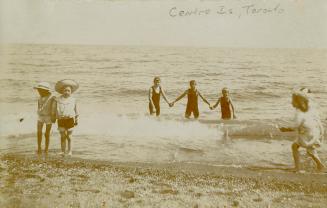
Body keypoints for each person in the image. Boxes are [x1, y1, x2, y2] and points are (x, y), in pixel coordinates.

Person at [280, 88, 325, 172]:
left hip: (307, 134)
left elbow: (296, 125)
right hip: (314, 132)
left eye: (293, 100)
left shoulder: (299, 113)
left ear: (298, 103)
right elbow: (316, 120)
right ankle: (320, 166)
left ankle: (297, 167)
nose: (291, 102)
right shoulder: (310, 109)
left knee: (294, 146)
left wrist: (286, 129)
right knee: (310, 150)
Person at [53, 79, 79, 156]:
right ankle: (63, 151)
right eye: (65, 90)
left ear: (71, 92)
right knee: (62, 136)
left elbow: (76, 110)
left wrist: (76, 119)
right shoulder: (58, 99)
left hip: (70, 119)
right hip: (61, 119)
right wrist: (54, 117)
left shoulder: (73, 99)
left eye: (68, 91)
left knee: (69, 136)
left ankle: (70, 151)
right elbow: (54, 108)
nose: (67, 92)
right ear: (62, 91)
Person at [34, 82, 56, 155]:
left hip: (49, 117)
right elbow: (38, 106)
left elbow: (54, 107)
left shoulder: (52, 97)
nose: (39, 92)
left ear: (46, 91)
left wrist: (54, 117)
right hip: (40, 116)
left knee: (47, 134)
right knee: (39, 132)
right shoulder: (40, 97)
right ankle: (39, 147)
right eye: (39, 90)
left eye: (40, 90)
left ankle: (46, 149)